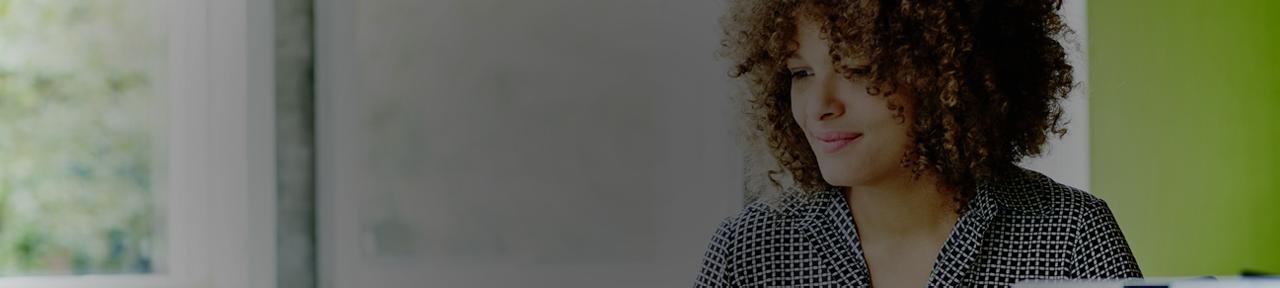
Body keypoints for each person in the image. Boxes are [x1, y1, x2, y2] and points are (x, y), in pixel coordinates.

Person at [696, 0, 1141, 286]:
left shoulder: (1069, 235)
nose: (818, 107)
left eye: (859, 69)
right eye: (801, 74)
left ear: (947, 75)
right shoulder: (748, 250)